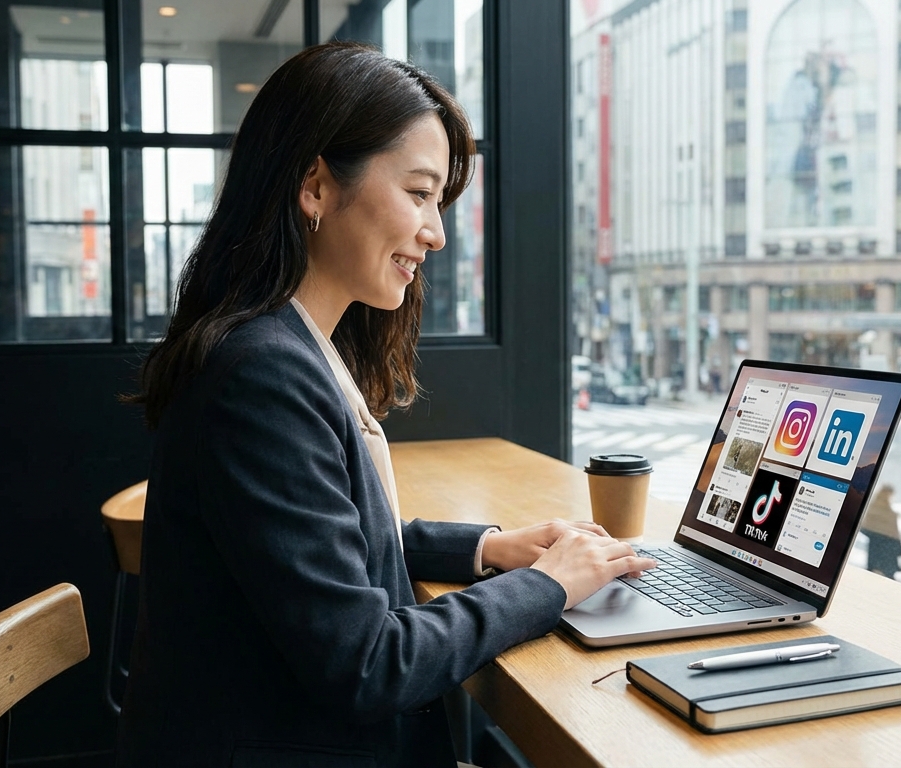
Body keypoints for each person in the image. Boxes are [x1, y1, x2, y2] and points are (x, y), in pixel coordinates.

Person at [116, 43, 656, 767]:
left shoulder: (282, 343)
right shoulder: (260, 374)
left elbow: (326, 542)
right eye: (419, 193)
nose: (435, 232)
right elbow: (368, 663)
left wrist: (488, 549)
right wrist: (547, 586)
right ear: (315, 186)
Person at [860, 484, 901, 579]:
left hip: (877, 542)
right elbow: (893, 530)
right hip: (884, 542)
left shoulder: (874, 506)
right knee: (886, 570)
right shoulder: (882, 509)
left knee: (874, 568)